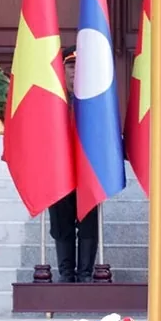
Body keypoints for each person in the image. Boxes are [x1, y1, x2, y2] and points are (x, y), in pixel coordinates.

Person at [48, 47, 98, 282]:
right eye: (70, 66)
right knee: (61, 223)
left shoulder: (97, 101)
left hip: (87, 172)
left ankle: (85, 274)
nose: (75, 71)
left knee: (88, 223)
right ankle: (66, 274)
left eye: (80, 66)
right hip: (58, 171)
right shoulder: (51, 100)